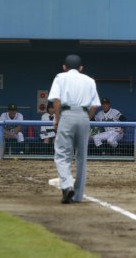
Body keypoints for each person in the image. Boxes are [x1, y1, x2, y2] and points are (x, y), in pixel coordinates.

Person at [49, 54, 101, 204]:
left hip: (67, 114)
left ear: (64, 67)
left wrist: (57, 119)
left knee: (62, 154)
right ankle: (78, 196)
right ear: (81, 68)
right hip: (84, 115)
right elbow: (95, 105)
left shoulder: (60, 77)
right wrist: (86, 118)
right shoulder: (89, 80)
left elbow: (56, 101)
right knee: (81, 157)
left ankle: (66, 185)